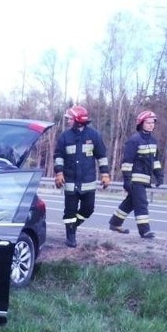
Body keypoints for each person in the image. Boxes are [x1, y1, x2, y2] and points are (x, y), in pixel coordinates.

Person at [53, 105, 110, 248]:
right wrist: (59, 173)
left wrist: (105, 174)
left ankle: (73, 226)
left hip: (88, 182)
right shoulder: (64, 137)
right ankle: (70, 236)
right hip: (70, 181)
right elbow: (58, 156)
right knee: (69, 211)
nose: (68, 121)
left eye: (70, 119)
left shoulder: (94, 135)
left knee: (88, 209)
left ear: (78, 120)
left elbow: (101, 156)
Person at [108, 110, 163, 239]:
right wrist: (127, 180)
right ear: (141, 124)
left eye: (152, 123)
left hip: (145, 179)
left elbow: (155, 160)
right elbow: (127, 162)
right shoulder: (134, 140)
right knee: (142, 203)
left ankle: (115, 223)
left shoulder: (153, 141)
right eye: (148, 123)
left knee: (131, 203)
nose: (151, 125)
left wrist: (159, 175)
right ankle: (144, 231)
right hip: (135, 179)